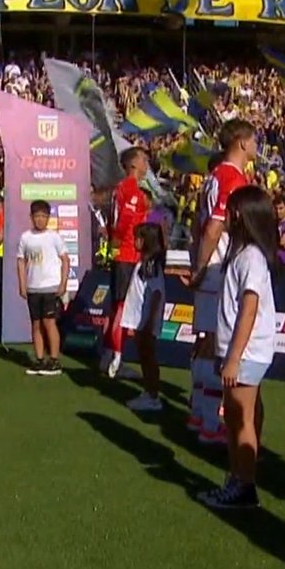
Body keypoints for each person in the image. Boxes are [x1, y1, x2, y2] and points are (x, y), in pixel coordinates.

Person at [199, 186, 277, 510]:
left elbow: (249, 308)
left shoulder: (251, 257)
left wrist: (233, 358)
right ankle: (240, 478)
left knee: (238, 416)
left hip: (244, 351)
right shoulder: (241, 253)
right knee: (242, 414)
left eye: (232, 211)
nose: (226, 216)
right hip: (240, 349)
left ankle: (243, 485)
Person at [187, 120, 256, 445]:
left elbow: (196, 227)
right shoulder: (231, 176)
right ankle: (210, 423)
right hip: (220, 271)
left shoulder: (213, 178)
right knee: (217, 343)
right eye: (253, 140)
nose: (257, 146)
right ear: (241, 142)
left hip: (210, 269)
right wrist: (202, 268)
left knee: (205, 342)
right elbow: (214, 228)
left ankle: (199, 412)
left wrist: (196, 264)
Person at [102, 147, 151, 379]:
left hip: (122, 254)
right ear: (133, 164)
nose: (147, 163)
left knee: (116, 307)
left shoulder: (120, 189)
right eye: (143, 159)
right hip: (128, 255)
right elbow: (122, 224)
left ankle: (108, 354)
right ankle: (117, 359)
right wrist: (117, 245)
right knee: (122, 308)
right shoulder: (131, 190)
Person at [16, 200, 70, 376]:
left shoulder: (54, 237)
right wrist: (22, 284)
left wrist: (63, 283)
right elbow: (21, 261)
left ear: (48, 218)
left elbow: (65, 260)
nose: (40, 220)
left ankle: (54, 360)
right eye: (36, 216)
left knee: (49, 322)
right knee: (36, 324)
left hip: (50, 287)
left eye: (43, 216)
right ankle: (39, 360)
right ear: (31, 217)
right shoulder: (25, 237)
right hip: (33, 287)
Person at [120, 222, 167, 412]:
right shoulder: (144, 263)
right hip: (141, 317)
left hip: (146, 318)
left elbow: (156, 294)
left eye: (138, 237)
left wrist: (148, 321)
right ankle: (148, 392)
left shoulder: (151, 265)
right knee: (144, 356)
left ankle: (153, 396)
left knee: (148, 357)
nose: (135, 241)